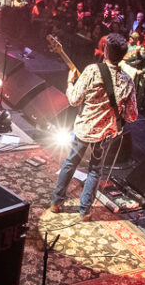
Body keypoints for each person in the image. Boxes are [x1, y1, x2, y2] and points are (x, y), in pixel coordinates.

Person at [50, 32, 138, 221]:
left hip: (84, 129)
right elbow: (132, 116)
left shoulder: (91, 71)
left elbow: (74, 100)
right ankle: (84, 212)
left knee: (70, 162)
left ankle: (57, 203)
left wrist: (69, 82)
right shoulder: (128, 81)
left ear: (105, 51)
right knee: (95, 171)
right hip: (105, 134)